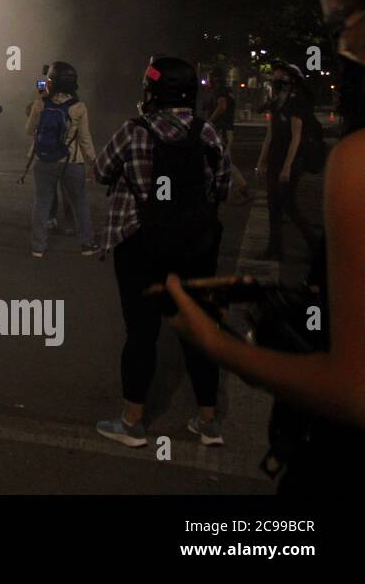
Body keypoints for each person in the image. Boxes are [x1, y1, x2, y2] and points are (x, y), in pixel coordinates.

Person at [170, 0, 365, 495]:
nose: (347, 47)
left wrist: (223, 347)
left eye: (353, 29)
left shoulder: (359, 161)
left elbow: (355, 389)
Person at [92, 56, 230, 448]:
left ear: (152, 92)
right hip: (196, 247)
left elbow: (101, 171)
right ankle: (208, 423)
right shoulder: (208, 134)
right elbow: (219, 188)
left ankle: (133, 422)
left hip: (141, 245)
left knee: (141, 334)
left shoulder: (134, 131)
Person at [24, 62, 97, 258]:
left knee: (41, 203)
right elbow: (85, 138)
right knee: (80, 203)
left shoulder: (40, 103)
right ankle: (87, 245)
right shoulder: (79, 107)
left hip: (43, 160)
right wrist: (93, 161)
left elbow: (29, 130)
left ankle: (38, 247)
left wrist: (41, 90)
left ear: (52, 82)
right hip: (71, 162)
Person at [255, 62, 318, 261]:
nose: (275, 79)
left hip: (291, 161)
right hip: (275, 159)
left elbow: (296, 137)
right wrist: (261, 162)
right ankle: (275, 249)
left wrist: (287, 167)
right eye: (274, 76)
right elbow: (269, 135)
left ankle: (315, 245)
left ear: (291, 80)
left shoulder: (297, 103)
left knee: (288, 205)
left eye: (280, 77)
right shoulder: (276, 103)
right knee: (273, 205)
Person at [206, 68, 252, 203]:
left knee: (224, 161)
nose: (208, 80)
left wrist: (209, 121)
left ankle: (242, 189)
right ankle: (233, 191)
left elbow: (222, 106)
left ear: (215, 79)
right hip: (226, 129)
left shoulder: (219, 90)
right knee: (223, 160)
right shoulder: (227, 91)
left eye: (209, 77)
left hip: (222, 130)